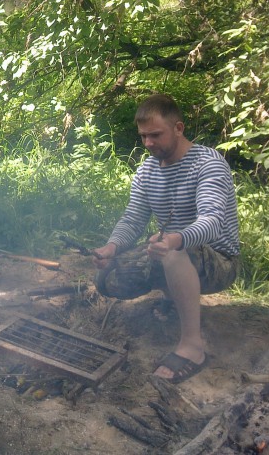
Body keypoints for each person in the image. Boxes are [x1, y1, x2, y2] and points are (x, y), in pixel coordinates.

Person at [92, 94, 239, 383]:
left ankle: (193, 347)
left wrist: (175, 240)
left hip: (219, 261)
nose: (148, 143)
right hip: (173, 250)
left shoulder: (208, 164)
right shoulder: (147, 171)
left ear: (178, 128)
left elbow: (212, 221)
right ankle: (175, 297)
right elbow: (133, 219)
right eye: (143, 136)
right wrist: (111, 247)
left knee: (172, 253)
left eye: (155, 135)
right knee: (108, 278)